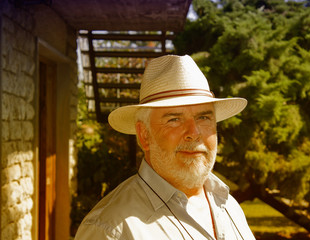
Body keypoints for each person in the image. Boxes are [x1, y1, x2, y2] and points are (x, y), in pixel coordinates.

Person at [75, 55, 256, 240]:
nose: (193, 132)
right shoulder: (110, 228)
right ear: (144, 135)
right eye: (174, 119)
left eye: (203, 117)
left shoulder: (228, 206)